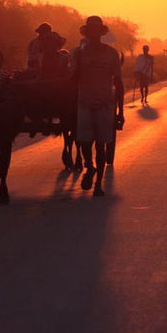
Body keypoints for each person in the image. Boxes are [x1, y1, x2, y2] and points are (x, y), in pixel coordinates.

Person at [69, 15, 125, 197]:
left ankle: (98, 183)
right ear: (87, 33)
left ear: (101, 33)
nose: (93, 34)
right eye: (90, 31)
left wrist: (121, 111)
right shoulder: (78, 53)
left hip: (105, 104)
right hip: (84, 102)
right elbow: (72, 78)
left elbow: (119, 82)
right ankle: (89, 166)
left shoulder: (111, 54)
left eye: (96, 31)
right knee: (84, 142)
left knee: (101, 145)